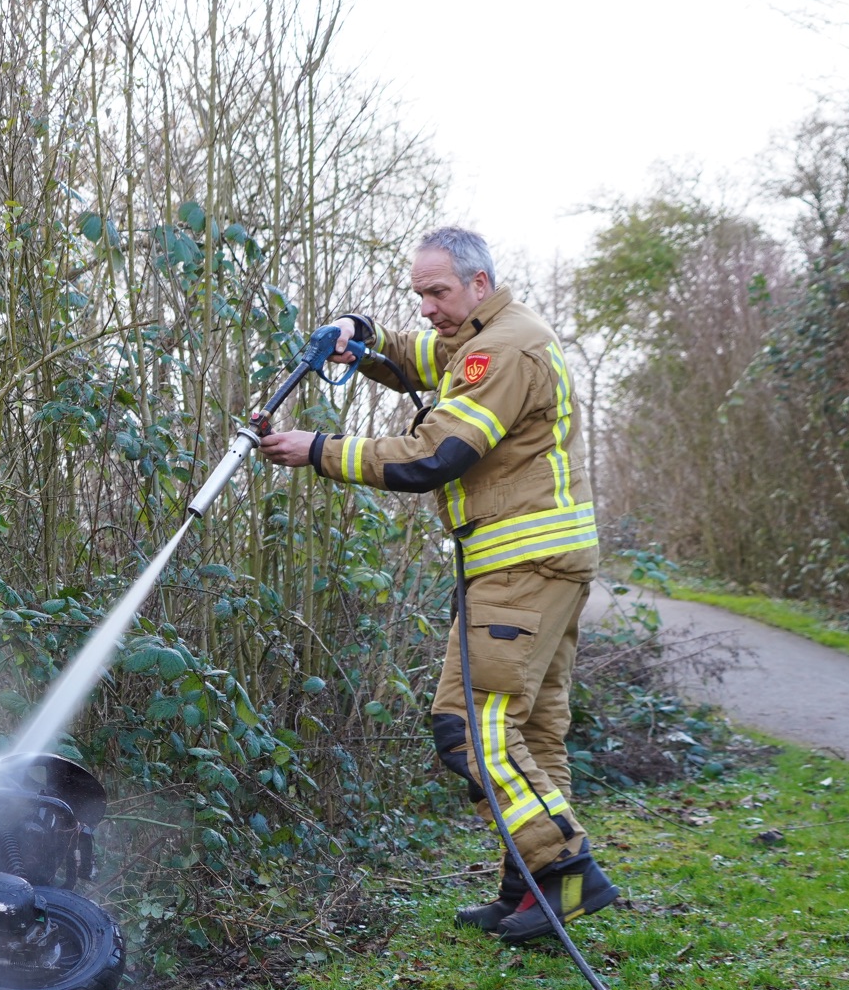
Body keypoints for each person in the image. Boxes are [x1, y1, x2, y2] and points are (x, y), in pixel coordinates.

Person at [254, 226, 618, 943]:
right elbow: (411, 358)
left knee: (470, 731)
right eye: (419, 293)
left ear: (479, 283)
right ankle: (531, 893)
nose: (426, 307)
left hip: (520, 566)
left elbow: (436, 454)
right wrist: (356, 337)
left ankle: (569, 870)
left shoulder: (504, 348)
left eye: (438, 292)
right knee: (533, 735)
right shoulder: (484, 334)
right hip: (545, 564)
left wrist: (317, 450)